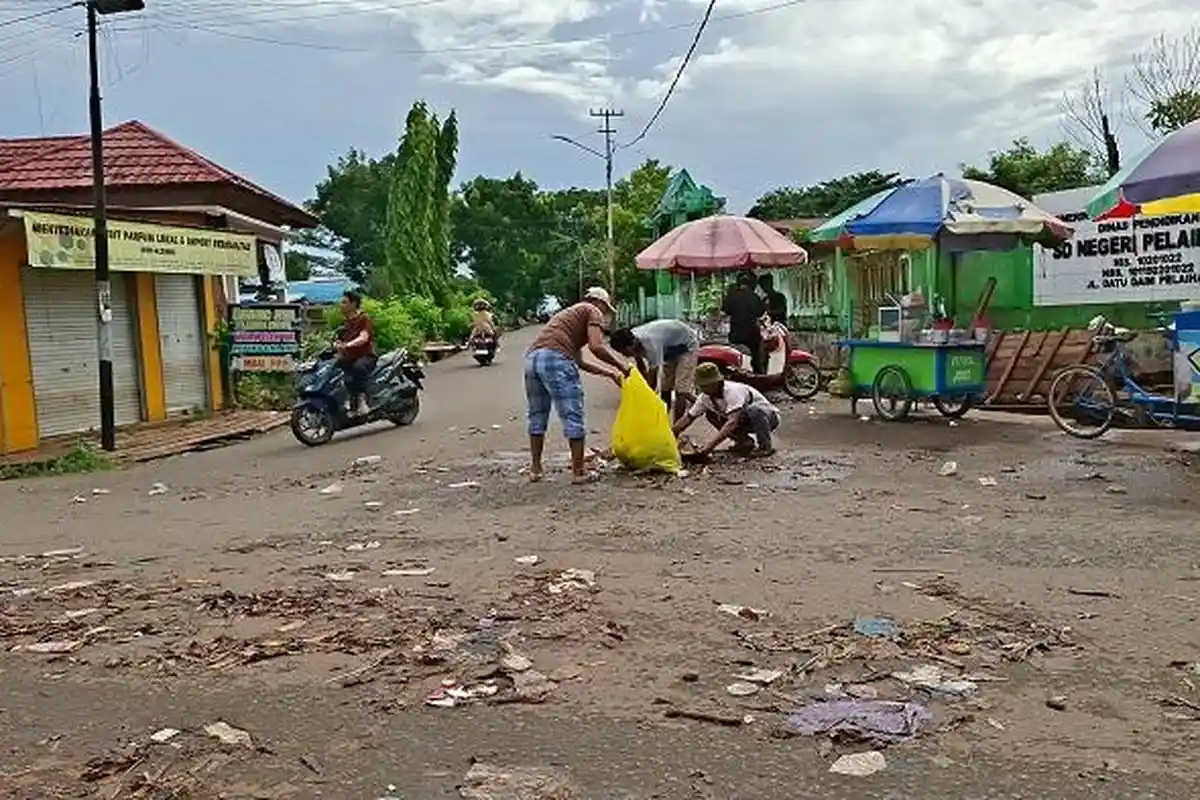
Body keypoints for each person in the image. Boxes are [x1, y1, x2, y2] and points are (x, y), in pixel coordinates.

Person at [525, 287, 630, 484]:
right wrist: (622, 367)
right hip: (556, 358)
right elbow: (596, 346)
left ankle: (536, 469)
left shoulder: (568, 317)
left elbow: (580, 362)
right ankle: (579, 471)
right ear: (598, 302)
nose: (604, 315)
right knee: (573, 413)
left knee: (537, 415)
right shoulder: (592, 311)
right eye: (605, 309)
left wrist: (610, 374)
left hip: (533, 359)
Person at [672, 362, 780, 458]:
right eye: (702, 386)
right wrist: (671, 433)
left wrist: (709, 447)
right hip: (743, 420)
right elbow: (688, 418)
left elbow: (732, 422)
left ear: (717, 383)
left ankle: (765, 447)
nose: (703, 389)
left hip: (768, 418)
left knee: (754, 410)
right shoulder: (704, 397)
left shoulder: (732, 391)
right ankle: (744, 442)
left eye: (706, 385)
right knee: (711, 415)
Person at [608, 319, 699, 423]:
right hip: (670, 349)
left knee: (680, 391)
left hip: (687, 345)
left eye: (623, 351)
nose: (623, 355)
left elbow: (652, 380)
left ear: (632, 345)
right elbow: (641, 366)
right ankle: (663, 421)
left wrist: (645, 398)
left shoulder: (650, 344)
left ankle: (676, 428)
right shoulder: (632, 338)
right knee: (665, 388)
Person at [334, 290, 376, 416]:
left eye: (344, 302)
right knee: (334, 369)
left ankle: (362, 400)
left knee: (359, 368)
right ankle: (346, 400)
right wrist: (336, 345)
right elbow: (338, 339)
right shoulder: (345, 322)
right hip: (349, 357)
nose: (341, 305)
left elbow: (364, 337)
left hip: (365, 356)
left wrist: (348, 344)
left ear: (353, 304)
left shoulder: (363, 318)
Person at [722, 272, 765, 374]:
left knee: (734, 358)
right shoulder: (755, 297)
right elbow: (760, 314)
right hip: (752, 335)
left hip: (736, 334)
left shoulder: (732, 297)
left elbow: (725, 312)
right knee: (756, 359)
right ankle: (758, 377)